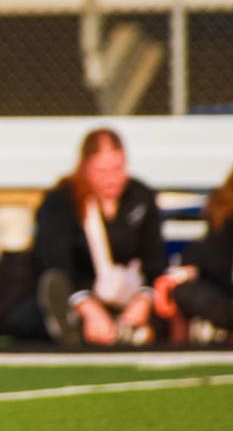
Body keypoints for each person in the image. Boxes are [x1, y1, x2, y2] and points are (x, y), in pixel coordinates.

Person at [15, 126, 166, 346]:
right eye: (102, 172)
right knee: (29, 318)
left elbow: (155, 258)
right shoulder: (62, 201)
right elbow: (55, 262)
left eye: (117, 168)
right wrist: (87, 306)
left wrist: (143, 300)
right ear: (85, 167)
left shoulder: (141, 196)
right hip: (79, 293)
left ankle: (123, 329)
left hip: (126, 295)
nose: (112, 179)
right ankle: (77, 327)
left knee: (165, 313)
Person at [155, 150, 233, 343]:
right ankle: (231, 329)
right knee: (186, 292)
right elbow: (218, 270)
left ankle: (228, 332)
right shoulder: (230, 222)